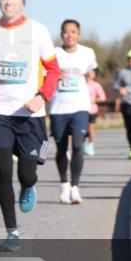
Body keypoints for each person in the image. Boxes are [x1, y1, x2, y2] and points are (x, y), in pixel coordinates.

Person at [0, 0, 60, 251]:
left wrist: (41, 97)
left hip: (29, 113)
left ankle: (28, 186)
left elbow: (54, 70)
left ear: (23, 3)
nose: (8, 2)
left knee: (28, 173)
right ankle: (12, 231)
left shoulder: (38, 30)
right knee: (2, 170)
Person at [49, 19, 97, 205]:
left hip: (80, 106)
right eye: (66, 32)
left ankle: (75, 186)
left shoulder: (87, 52)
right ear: (62, 35)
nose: (70, 35)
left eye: (73, 32)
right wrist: (53, 75)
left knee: (78, 145)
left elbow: (92, 70)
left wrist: (91, 79)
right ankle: (64, 184)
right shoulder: (54, 53)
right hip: (59, 107)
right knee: (61, 148)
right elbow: (43, 73)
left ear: (79, 35)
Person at [85, 68, 106, 156]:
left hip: (92, 110)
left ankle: (90, 145)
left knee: (91, 128)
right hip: (81, 109)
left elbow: (103, 97)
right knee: (81, 129)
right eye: (90, 72)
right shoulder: (82, 83)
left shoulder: (96, 85)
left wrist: (95, 100)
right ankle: (82, 145)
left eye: (93, 72)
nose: (92, 74)